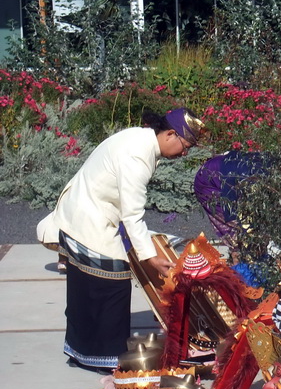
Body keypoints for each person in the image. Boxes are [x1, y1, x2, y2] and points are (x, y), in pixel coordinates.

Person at [36, 108, 203, 371]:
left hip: (82, 210)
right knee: (113, 282)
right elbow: (132, 213)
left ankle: (80, 351)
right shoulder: (137, 156)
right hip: (89, 218)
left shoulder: (141, 138)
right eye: (186, 146)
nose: (185, 153)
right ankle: (105, 359)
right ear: (170, 134)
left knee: (84, 288)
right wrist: (149, 257)